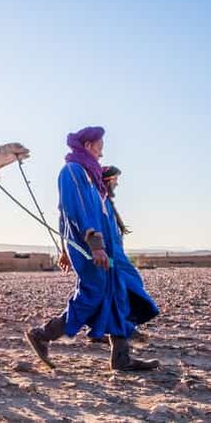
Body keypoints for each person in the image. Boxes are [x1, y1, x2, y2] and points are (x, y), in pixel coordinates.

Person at [25, 126, 159, 371]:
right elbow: (74, 212)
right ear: (87, 146)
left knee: (119, 292)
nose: (101, 153)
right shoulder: (73, 171)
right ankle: (43, 334)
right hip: (91, 249)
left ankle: (121, 357)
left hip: (109, 250)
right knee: (93, 294)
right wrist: (93, 245)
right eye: (99, 147)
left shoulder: (92, 178)